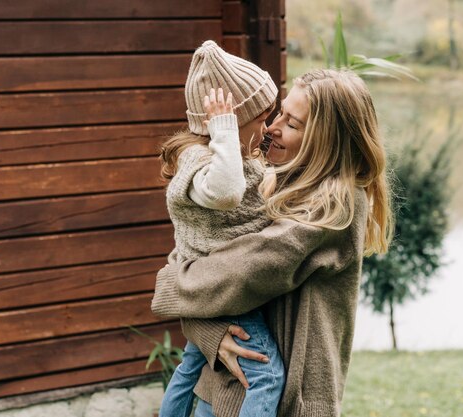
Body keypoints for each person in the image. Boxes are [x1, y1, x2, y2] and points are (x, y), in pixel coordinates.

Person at [152, 68, 393, 417]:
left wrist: (171, 286)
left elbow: (240, 271)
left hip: (285, 404)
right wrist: (208, 329)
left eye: (293, 124)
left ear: (327, 140)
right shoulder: (272, 180)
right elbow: (196, 251)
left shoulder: (335, 206)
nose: (272, 127)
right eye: (280, 113)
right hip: (226, 392)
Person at [157, 40, 285, 417]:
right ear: (228, 121)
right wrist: (225, 130)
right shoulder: (198, 163)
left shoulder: (237, 156)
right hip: (221, 288)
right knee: (266, 377)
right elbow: (228, 193)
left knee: (189, 367)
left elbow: (248, 187)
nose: (268, 129)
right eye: (261, 120)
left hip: (213, 284)